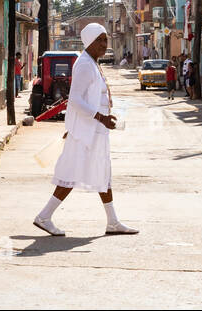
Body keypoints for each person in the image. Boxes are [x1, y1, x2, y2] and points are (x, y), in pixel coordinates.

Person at [33, 23, 137, 237]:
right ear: (88, 40)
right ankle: (44, 217)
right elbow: (76, 100)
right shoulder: (84, 65)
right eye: (99, 40)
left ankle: (113, 221)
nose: (104, 44)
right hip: (85, 132)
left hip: (95, 131)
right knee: (71, 175)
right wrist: (101, 117)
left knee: (102, 172)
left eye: (105, 40)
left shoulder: (93, 64)